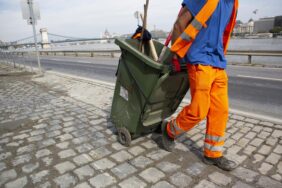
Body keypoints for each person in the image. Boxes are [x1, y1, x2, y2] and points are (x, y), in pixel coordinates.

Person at [162, 0, 239, 171]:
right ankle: (169, 130)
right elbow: (179, 24)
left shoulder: (233, 3)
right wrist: (177, 57)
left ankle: (213, 154)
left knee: (220, 110)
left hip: (218, 62)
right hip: (199, 61)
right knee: (199, 110)